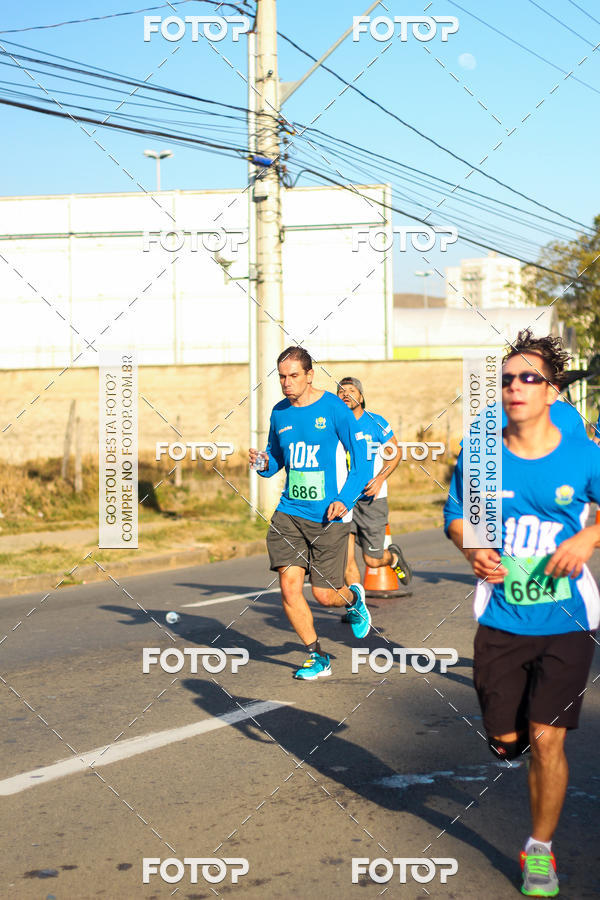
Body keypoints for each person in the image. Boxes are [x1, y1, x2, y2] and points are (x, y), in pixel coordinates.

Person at [443, 329, 600, 898]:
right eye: (507, 378)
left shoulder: (583, 454)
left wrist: (588, 537)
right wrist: (472, 548)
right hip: (502, 618)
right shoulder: (482, 454)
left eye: (529, 377)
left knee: (548, 739)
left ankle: (539, 849)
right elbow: (456, 514)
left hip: (567, 618)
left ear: (552, 391)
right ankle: (514, 739)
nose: (515, 386)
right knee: (507, 740)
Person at [249, 346, 372, 680]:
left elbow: (362, 463)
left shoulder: (334, 408)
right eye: (282, 377)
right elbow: (276, 460)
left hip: (328, 516)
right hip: (289, 513)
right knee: (289, 587)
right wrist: (262, 463)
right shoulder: (279, 413)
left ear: (310, 375)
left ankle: (353, 598)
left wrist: (345, 499)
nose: (286, 383)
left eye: (293, 376)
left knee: (324, 595)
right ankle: (317, 655)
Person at [336, 378, 412, 608]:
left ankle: (393, 557)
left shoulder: (375, 422)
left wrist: (380, 479)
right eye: (341, 391)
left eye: (351, 390)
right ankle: (357, 608)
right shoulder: (334, 425)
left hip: (372, 499)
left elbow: (395, 453)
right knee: (346, 559)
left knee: (373, 559)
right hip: (344, 500)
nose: (346, 394)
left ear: (361, 396)